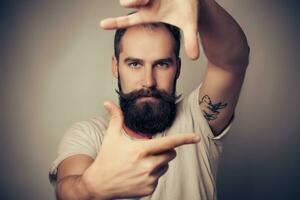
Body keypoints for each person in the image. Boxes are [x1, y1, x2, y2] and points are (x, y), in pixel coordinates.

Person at [49, 0, 249, 199]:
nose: (148, 82)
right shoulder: (88, 135)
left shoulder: (198, 119)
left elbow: (231, 63)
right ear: (115, 67)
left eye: (161, 64)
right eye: (135, 64)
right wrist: (89, 189)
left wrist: (202, 7)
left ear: (177, 68)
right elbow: (67, 189)